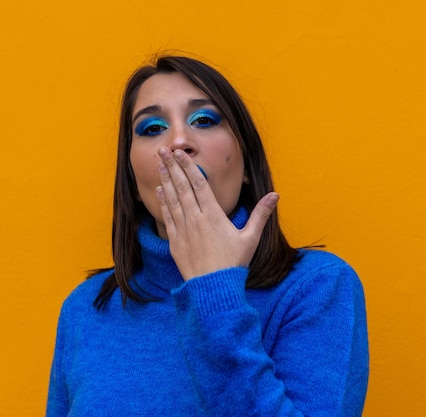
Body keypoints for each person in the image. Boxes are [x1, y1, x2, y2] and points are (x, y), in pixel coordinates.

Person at [46, 55, 369, 417]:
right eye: (152, 128)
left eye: (204, 120)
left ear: (246, 164)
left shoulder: (317, 287)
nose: (179, 141)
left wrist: (214, 288)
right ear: (134, 182)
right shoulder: (85, 309)